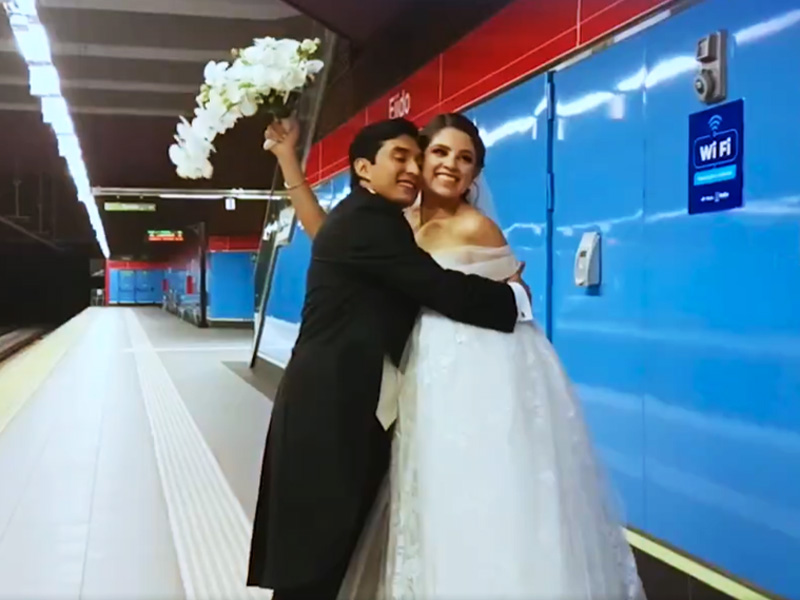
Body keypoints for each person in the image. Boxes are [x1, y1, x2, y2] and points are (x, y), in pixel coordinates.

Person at [263, 113, 647, 600]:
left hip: (463, 381)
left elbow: (477, 300)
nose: (449, 165)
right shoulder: (393, 221)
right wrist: (288, 163)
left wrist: (516, 299)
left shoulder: (475, 227)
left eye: (465, 159)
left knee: (465, 500)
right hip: (402, 383)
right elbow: (335, 237)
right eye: (437, 154)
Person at [246, 117, 534, 600]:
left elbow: (325, 232)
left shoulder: (382, 218)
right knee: (317, 554)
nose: (427, 166)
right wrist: (516, 300)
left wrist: (288, 162)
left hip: (377, 400)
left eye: (462, 159)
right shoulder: (377, 223)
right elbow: (438, 287)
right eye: (420, 155)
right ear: (364, 169)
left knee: (333, 546)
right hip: (336, 405)